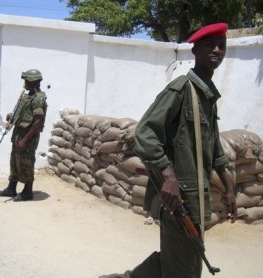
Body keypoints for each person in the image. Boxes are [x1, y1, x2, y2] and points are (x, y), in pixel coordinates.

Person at [100, 23, 237, 278]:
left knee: (183, 256)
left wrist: (229, 189)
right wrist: (168, 176)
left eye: (222, 45)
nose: (217, 50)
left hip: (197, 196)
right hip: (177, 198)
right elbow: (145, 132)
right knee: (184, 264)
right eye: (210, 45)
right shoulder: (181, 89)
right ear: (195, 50)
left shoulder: (208, 97)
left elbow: (215, 147)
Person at [0, 69, 47, 202]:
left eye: (27, 81)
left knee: (26, 163)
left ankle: (27, 191)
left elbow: (37, 122)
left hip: (28, 137)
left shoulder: (38, 99)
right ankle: (11, 188)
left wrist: (25, 140)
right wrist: (12, 117)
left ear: (34, 82)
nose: (25, 83)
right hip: (19, 134)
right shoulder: (27, 96)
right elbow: (24, 115)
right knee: (14, 161)